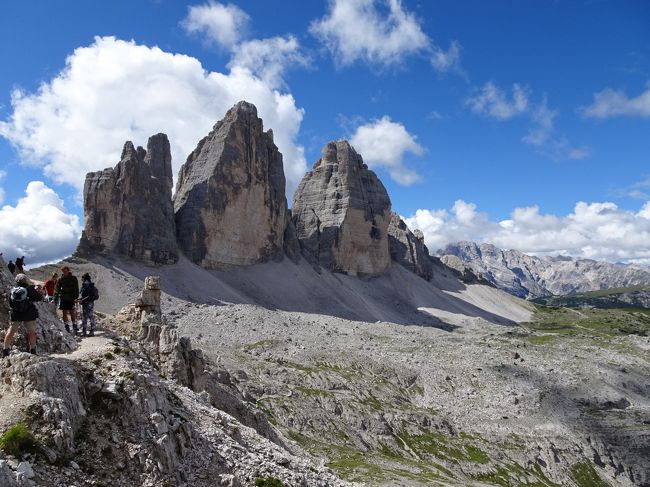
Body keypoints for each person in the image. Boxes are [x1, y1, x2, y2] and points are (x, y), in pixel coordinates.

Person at [3, 274, 42, 357]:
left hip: (16, 314)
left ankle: (5, 350)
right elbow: (38, 298)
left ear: (16, 281)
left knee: (11, 331)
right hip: (29, 314)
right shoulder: (29, 289)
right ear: (26, 280)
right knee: (31, 331)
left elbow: (10, 303)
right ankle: (33, 350)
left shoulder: (13, 290)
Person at [54, 266, 79, 334]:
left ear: (68, 270)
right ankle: (66, 326)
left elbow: (76, 288)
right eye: (63, 271)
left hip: (71, 297)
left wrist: (76, 297)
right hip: (63, 298)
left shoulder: (73, 278)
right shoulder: (61, 279)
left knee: (72, 312)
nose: (64, 272)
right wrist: (57, 295)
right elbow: (57, 288)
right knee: (64, 312)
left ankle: (74, 325)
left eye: (65, 270)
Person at [78, 273, 98, 337]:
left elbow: (89, 295)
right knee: (89, 316)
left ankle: (86, 332)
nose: (81, 279)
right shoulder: (88, 284)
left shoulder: (87, 285)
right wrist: (80, 299)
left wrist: (82, 300)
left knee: (87, 316)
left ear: (84, 278)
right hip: (88, 303)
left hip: (87, 303)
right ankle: (89, 331)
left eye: (82, 278)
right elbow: (86, 295)